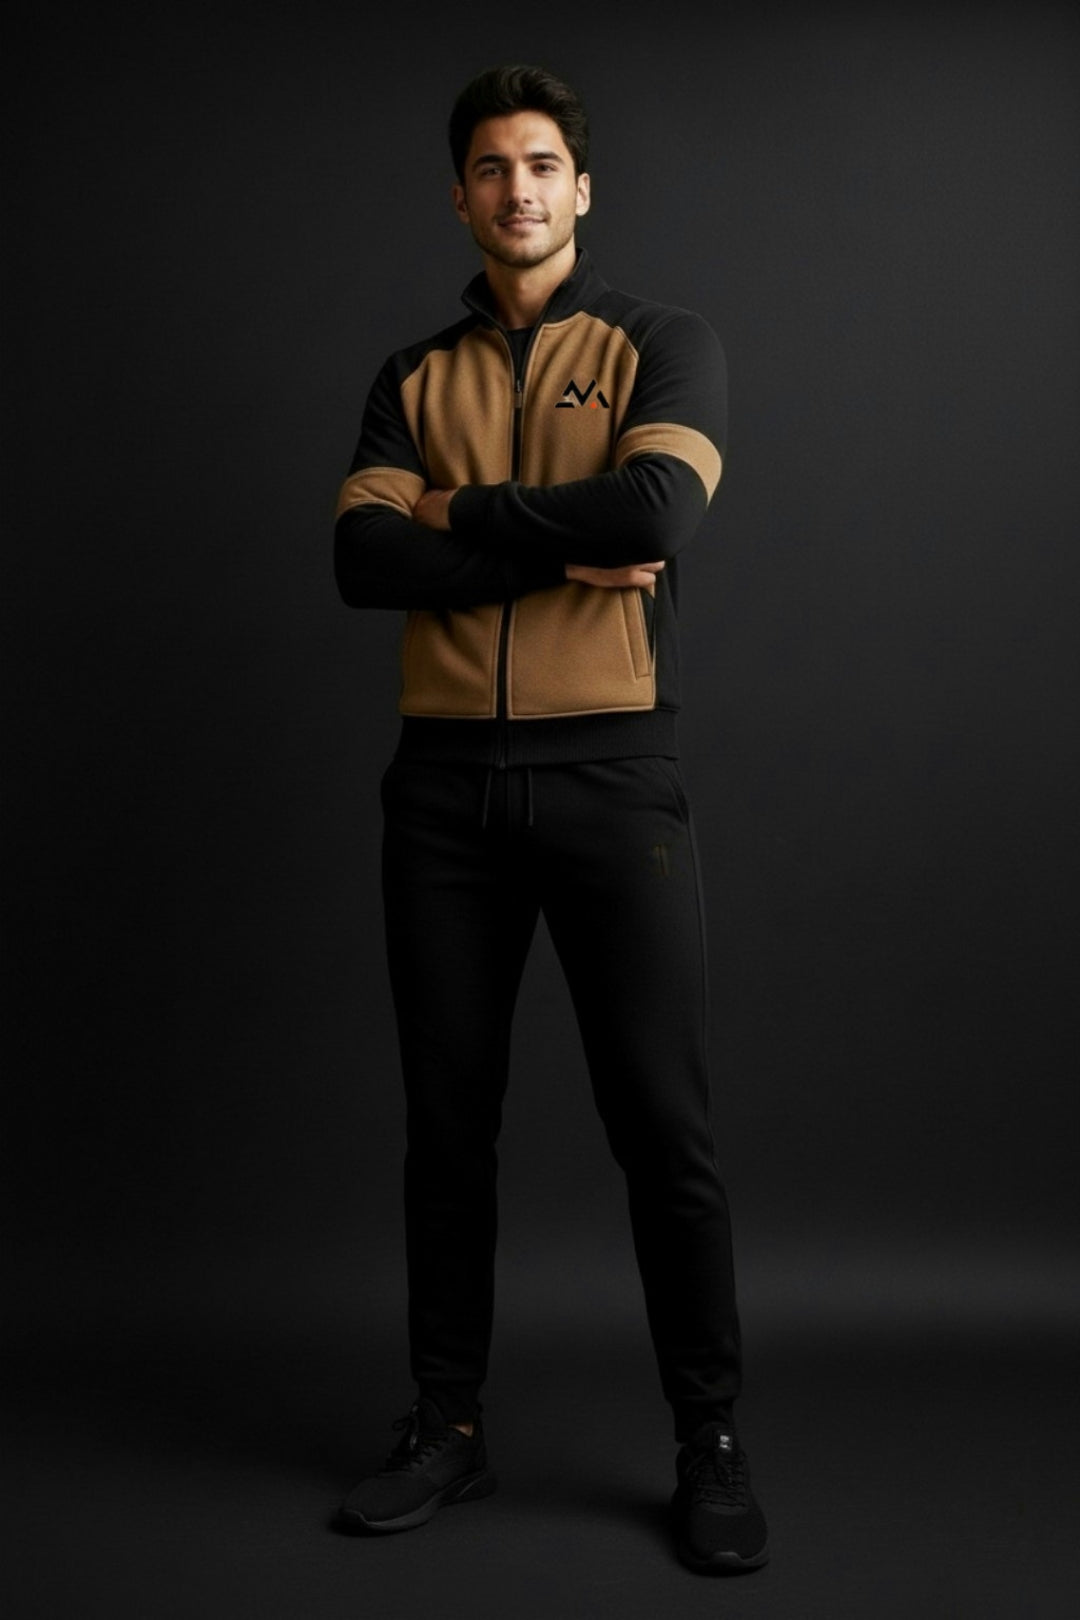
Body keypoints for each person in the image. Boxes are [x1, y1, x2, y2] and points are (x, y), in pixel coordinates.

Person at [332, 63, 768, 1574]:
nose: (515, 188)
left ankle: (710, 1441)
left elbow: (655, 517)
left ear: (581, 188)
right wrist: (540, 542)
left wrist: (455, 510)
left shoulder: (663, 345)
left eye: (540, 164)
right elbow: (361, 563)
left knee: (663, 1127)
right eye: (488, 167)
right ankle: (445, 1428)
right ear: (457, 196)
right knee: (446, 1129)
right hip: (441, 792)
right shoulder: (410, 376)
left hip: (611, 781)